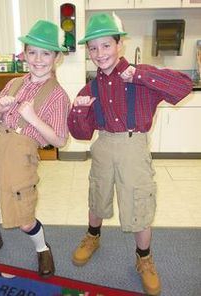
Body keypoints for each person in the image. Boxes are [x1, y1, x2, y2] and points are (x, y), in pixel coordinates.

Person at [67, 13, 193, 295]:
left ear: (120, 45)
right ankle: (92, 236)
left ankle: (144, 258)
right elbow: (82, 134)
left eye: (106, 46)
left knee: (139, 203)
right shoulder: (90, 88)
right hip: (102, 146)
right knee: (97, 194)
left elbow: (184, 87)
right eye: (94, 48)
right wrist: (78, 109)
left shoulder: (141, 76)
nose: (100, 53)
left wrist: (140, 75)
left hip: (134, 147)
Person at [0, 20, 70, 278]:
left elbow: (59, 140)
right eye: (32, 52)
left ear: (56, 57)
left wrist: (34, 118)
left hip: (22, 154)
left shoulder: (58, 96)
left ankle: (42, 248)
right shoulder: (14, 82)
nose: (38, 59)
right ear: (24, 53)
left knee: (23, 215)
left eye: (46, 53)